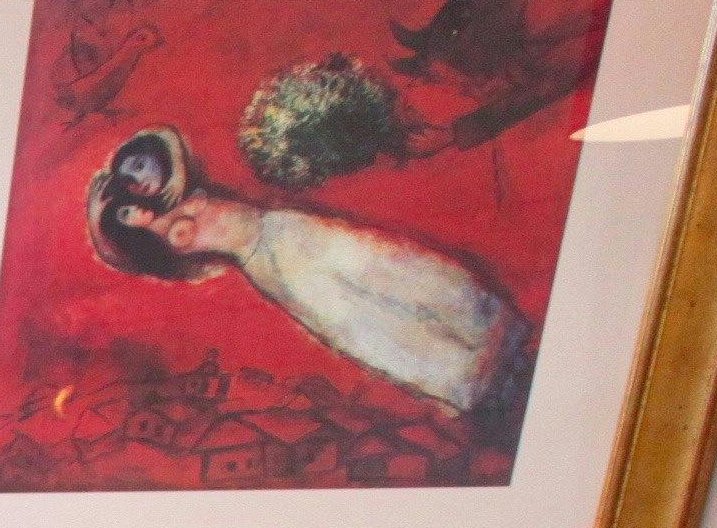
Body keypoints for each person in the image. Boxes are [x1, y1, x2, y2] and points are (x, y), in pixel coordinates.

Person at [86, 125, 534, 449]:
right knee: (365, 324)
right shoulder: (170, 234)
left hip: (288, 232)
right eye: (125, 213)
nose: (139, 189)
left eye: (139, 171)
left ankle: (491, 328)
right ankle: (471, 381)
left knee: (397, 272)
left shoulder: (182, 189)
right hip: (275, 263)